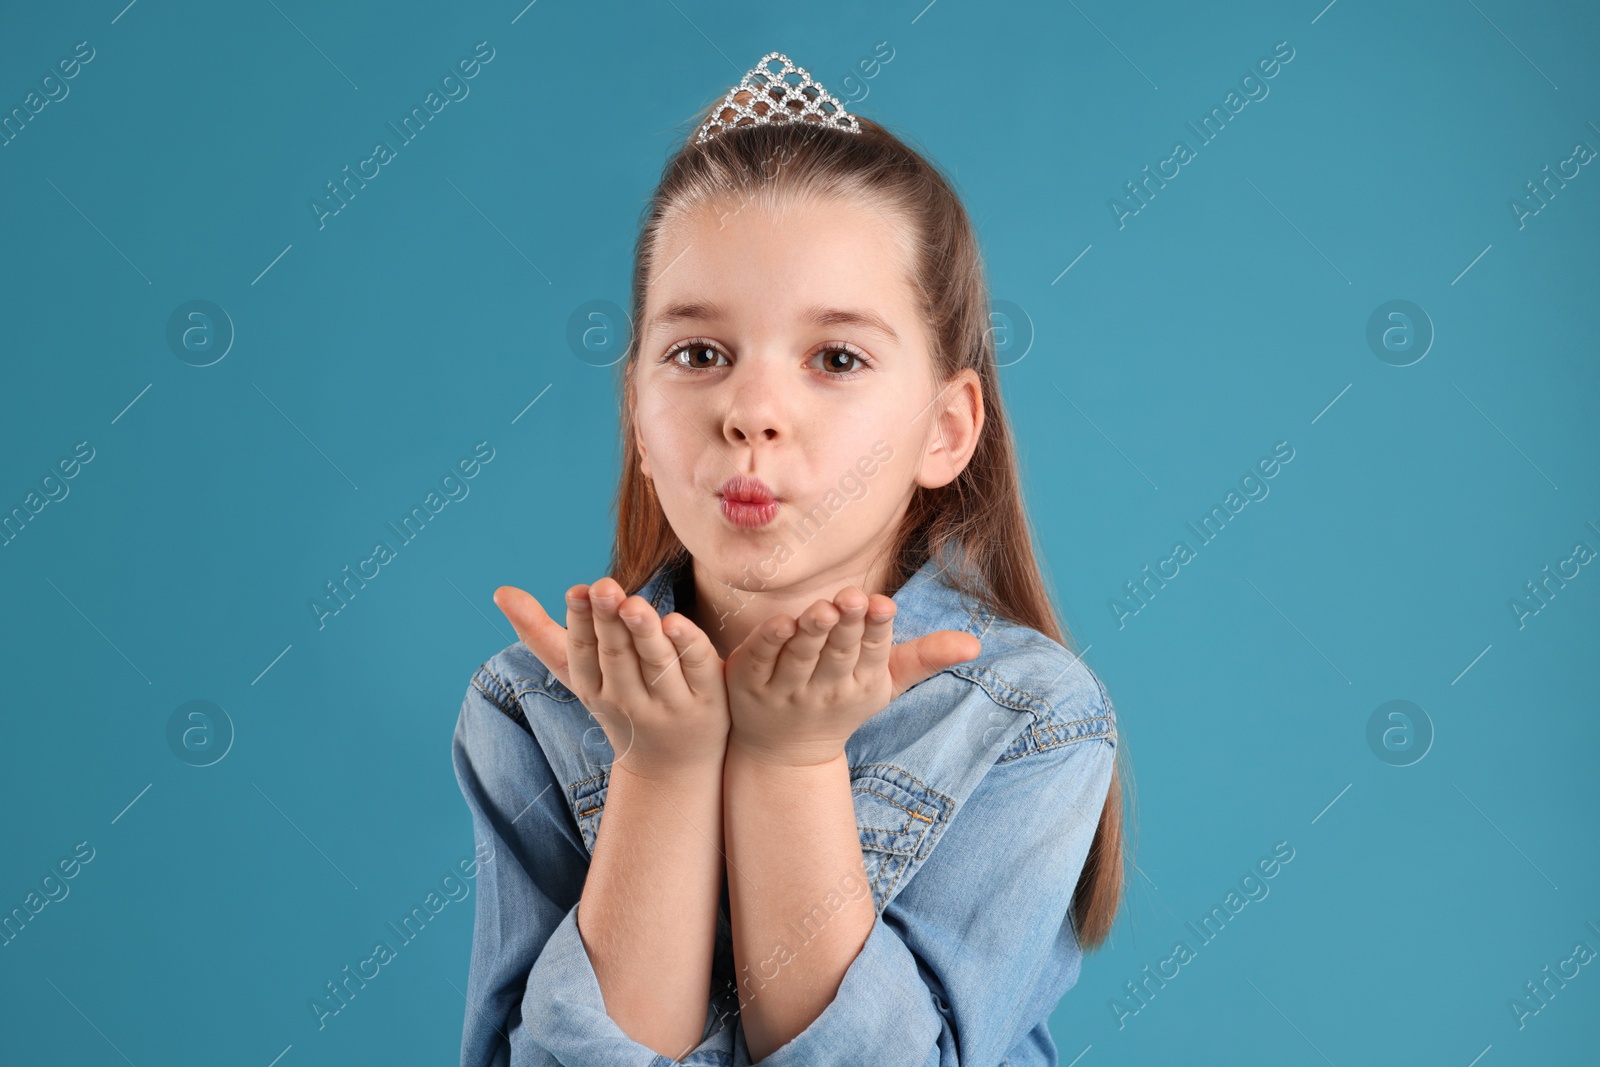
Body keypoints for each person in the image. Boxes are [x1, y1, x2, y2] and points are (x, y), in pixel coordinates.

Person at [451, 52, 1131, 1066]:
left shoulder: (1025, 716)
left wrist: (786, 764)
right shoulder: (533, 707)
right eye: (698, 354)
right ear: (637, 410)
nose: (751, 412)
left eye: (836, 358)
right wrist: (662, 772)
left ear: (946, 429)